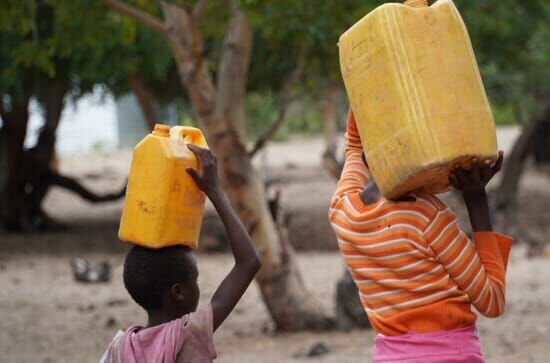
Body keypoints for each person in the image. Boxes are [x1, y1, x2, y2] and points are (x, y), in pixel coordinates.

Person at [328, 110, 512, 362]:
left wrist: (366, 85)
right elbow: (491, 301)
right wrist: (476, 197)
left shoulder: (342, 210)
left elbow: (353, 142)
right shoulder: (425, 215)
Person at [101, 145, 261, 363]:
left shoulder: (119, 347)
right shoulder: (187, 334)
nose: (198, 286)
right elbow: (249, 262)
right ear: (178, 292)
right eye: (195, 279)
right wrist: (214, 190)